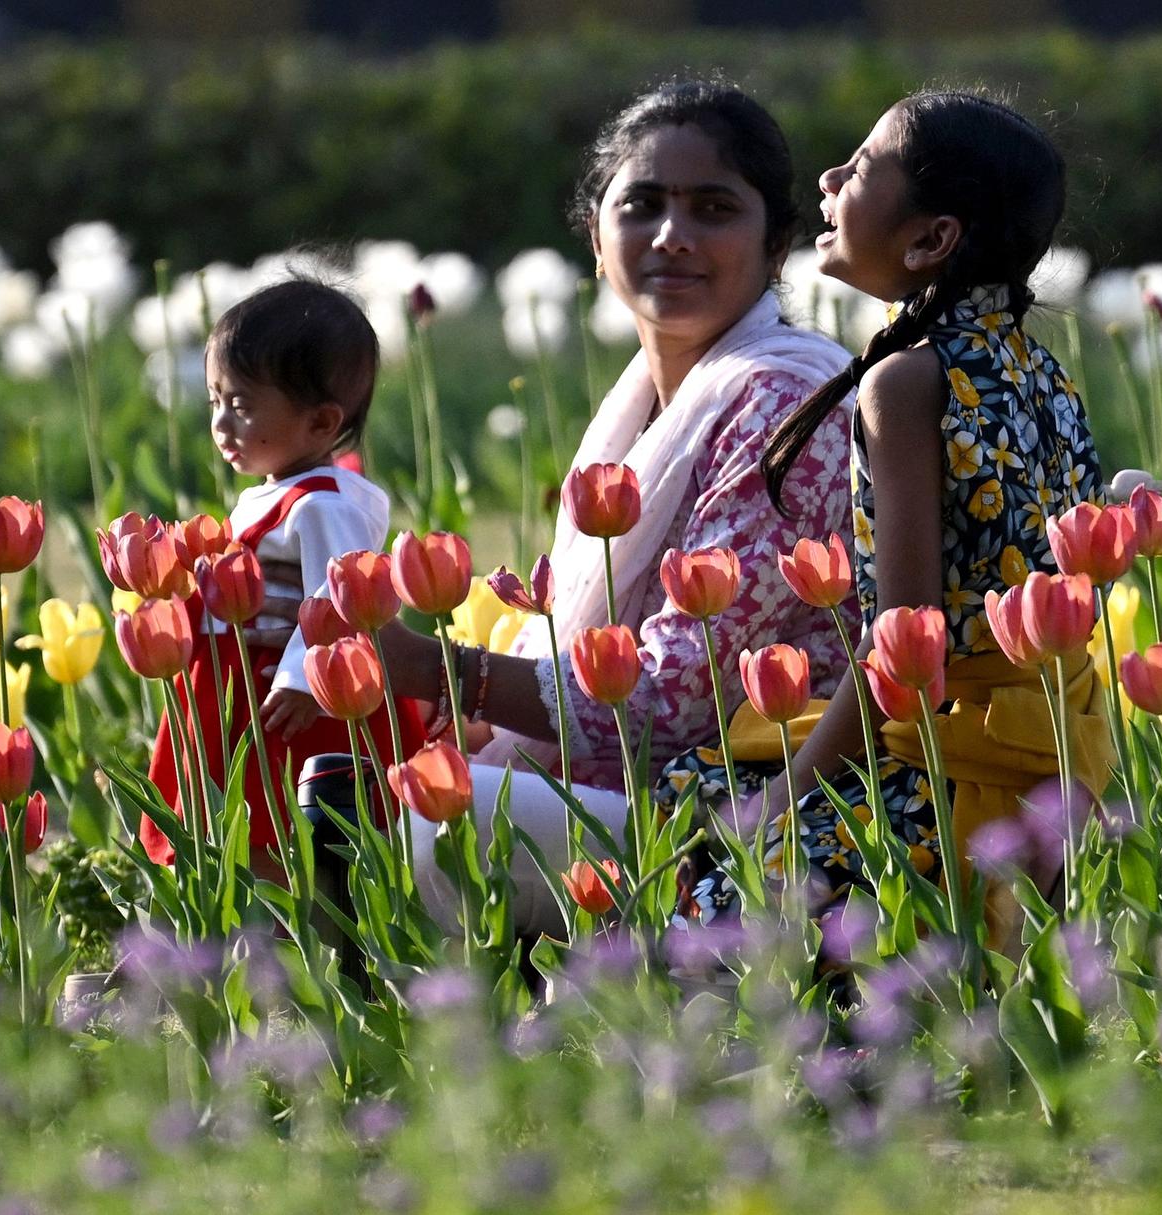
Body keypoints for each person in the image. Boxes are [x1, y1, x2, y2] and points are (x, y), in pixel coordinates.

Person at [375, 81, 856, 938]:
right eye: (642, 205)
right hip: (655, 799)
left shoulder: (787, 402)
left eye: (713, 208)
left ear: (776, 246)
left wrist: (449, 672)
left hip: (758, 822)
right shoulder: (646, 411)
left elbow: (673, 697)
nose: (673, 235)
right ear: (596, 240)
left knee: (427, 818)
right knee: (352, 781)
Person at [689, 89, 1110, 955]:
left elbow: (906, 650)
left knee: (708, 860)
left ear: (929, 241)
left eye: (864, 165)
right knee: (708, 773)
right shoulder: (1042, 374)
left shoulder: (908, 382)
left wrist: (786, 800)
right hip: (1050, 769)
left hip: (941, 789)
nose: (830, 176)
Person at [139, 276, 429, 867]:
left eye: (242, 407)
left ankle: (288, 932)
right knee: (233, 814)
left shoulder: (323, 505)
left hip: (283, 698)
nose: (221, 425)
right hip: (236, 680)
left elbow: (339, 597)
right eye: (216, 401)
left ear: (322, 424)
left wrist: (303, 680)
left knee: (274, 818)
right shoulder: (280, 493)